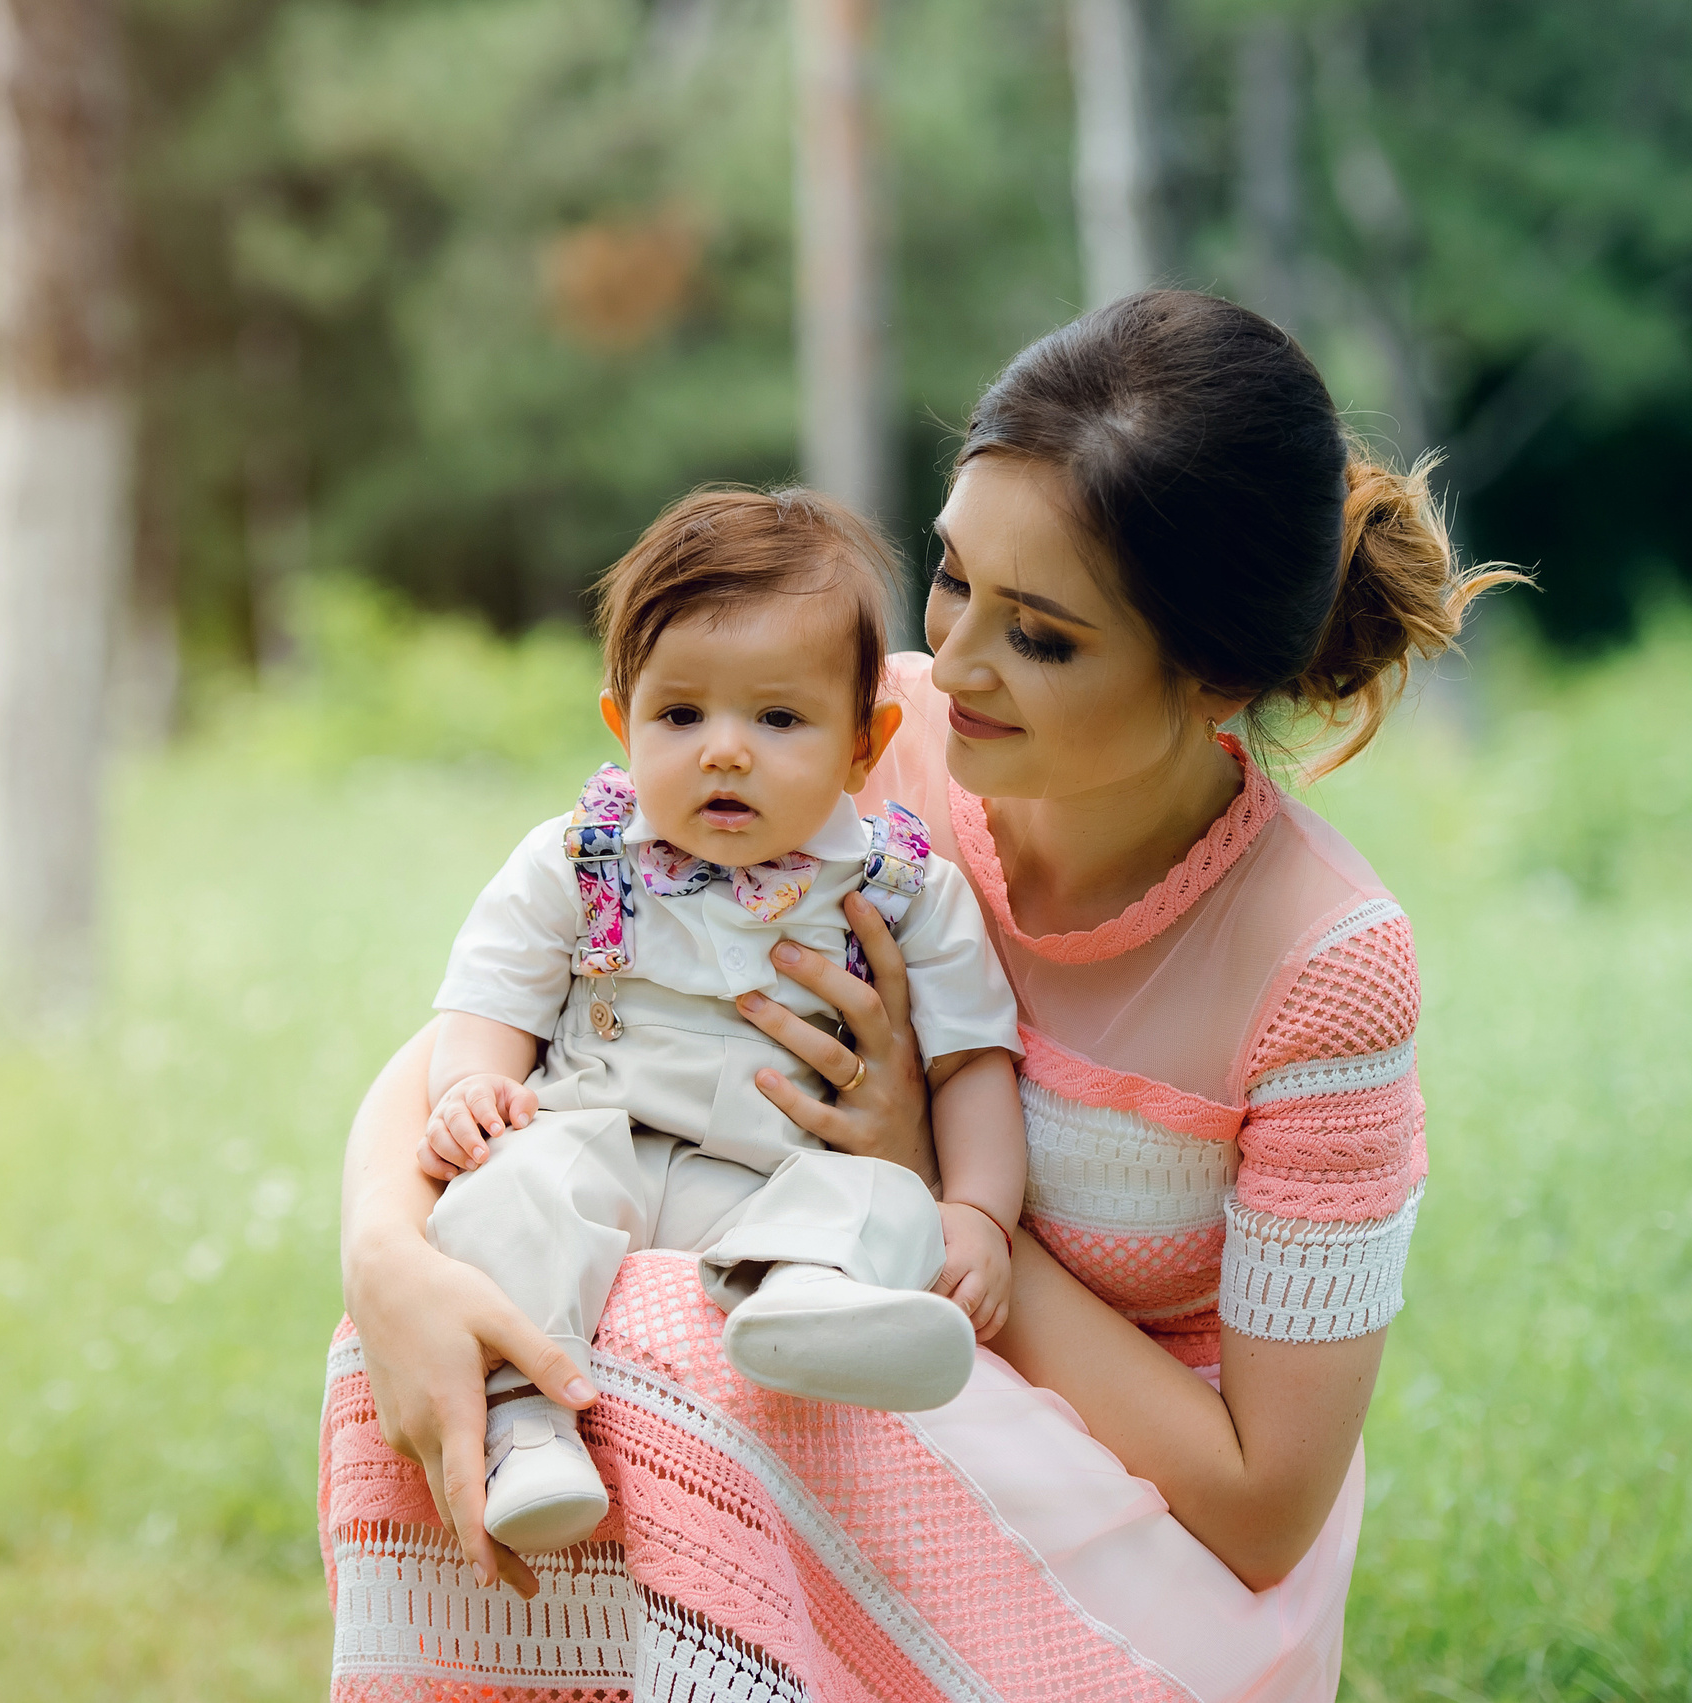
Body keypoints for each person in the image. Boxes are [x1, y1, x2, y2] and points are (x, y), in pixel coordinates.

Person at [323, 291, 1522, 1702]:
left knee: (680, 1346)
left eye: (1044, 637)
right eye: (953, 579)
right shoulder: (857, 740)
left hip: (1134, 1552)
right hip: (845, 1389)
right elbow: (523, 1010)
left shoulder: (1323, 965)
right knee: (469, 1315)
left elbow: (1263, 1505)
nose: (954, 668)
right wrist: (387, 1261)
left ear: (1213, 678)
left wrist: (942, 1191)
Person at [414, 486, 1027, 1555]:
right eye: (681, 714)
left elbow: (972, 1059)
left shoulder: (901, 887)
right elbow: (488, 992)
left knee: (884, 1196)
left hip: (772, 1178)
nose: (725, 750)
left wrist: (978, 1207)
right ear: (622, 719)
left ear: (863, 740)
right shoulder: (579, 854)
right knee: (508, 1191)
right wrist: (472, 1082)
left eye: (778, 718)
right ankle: (528, 1425)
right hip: (592, 1137)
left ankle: (809, 1307)